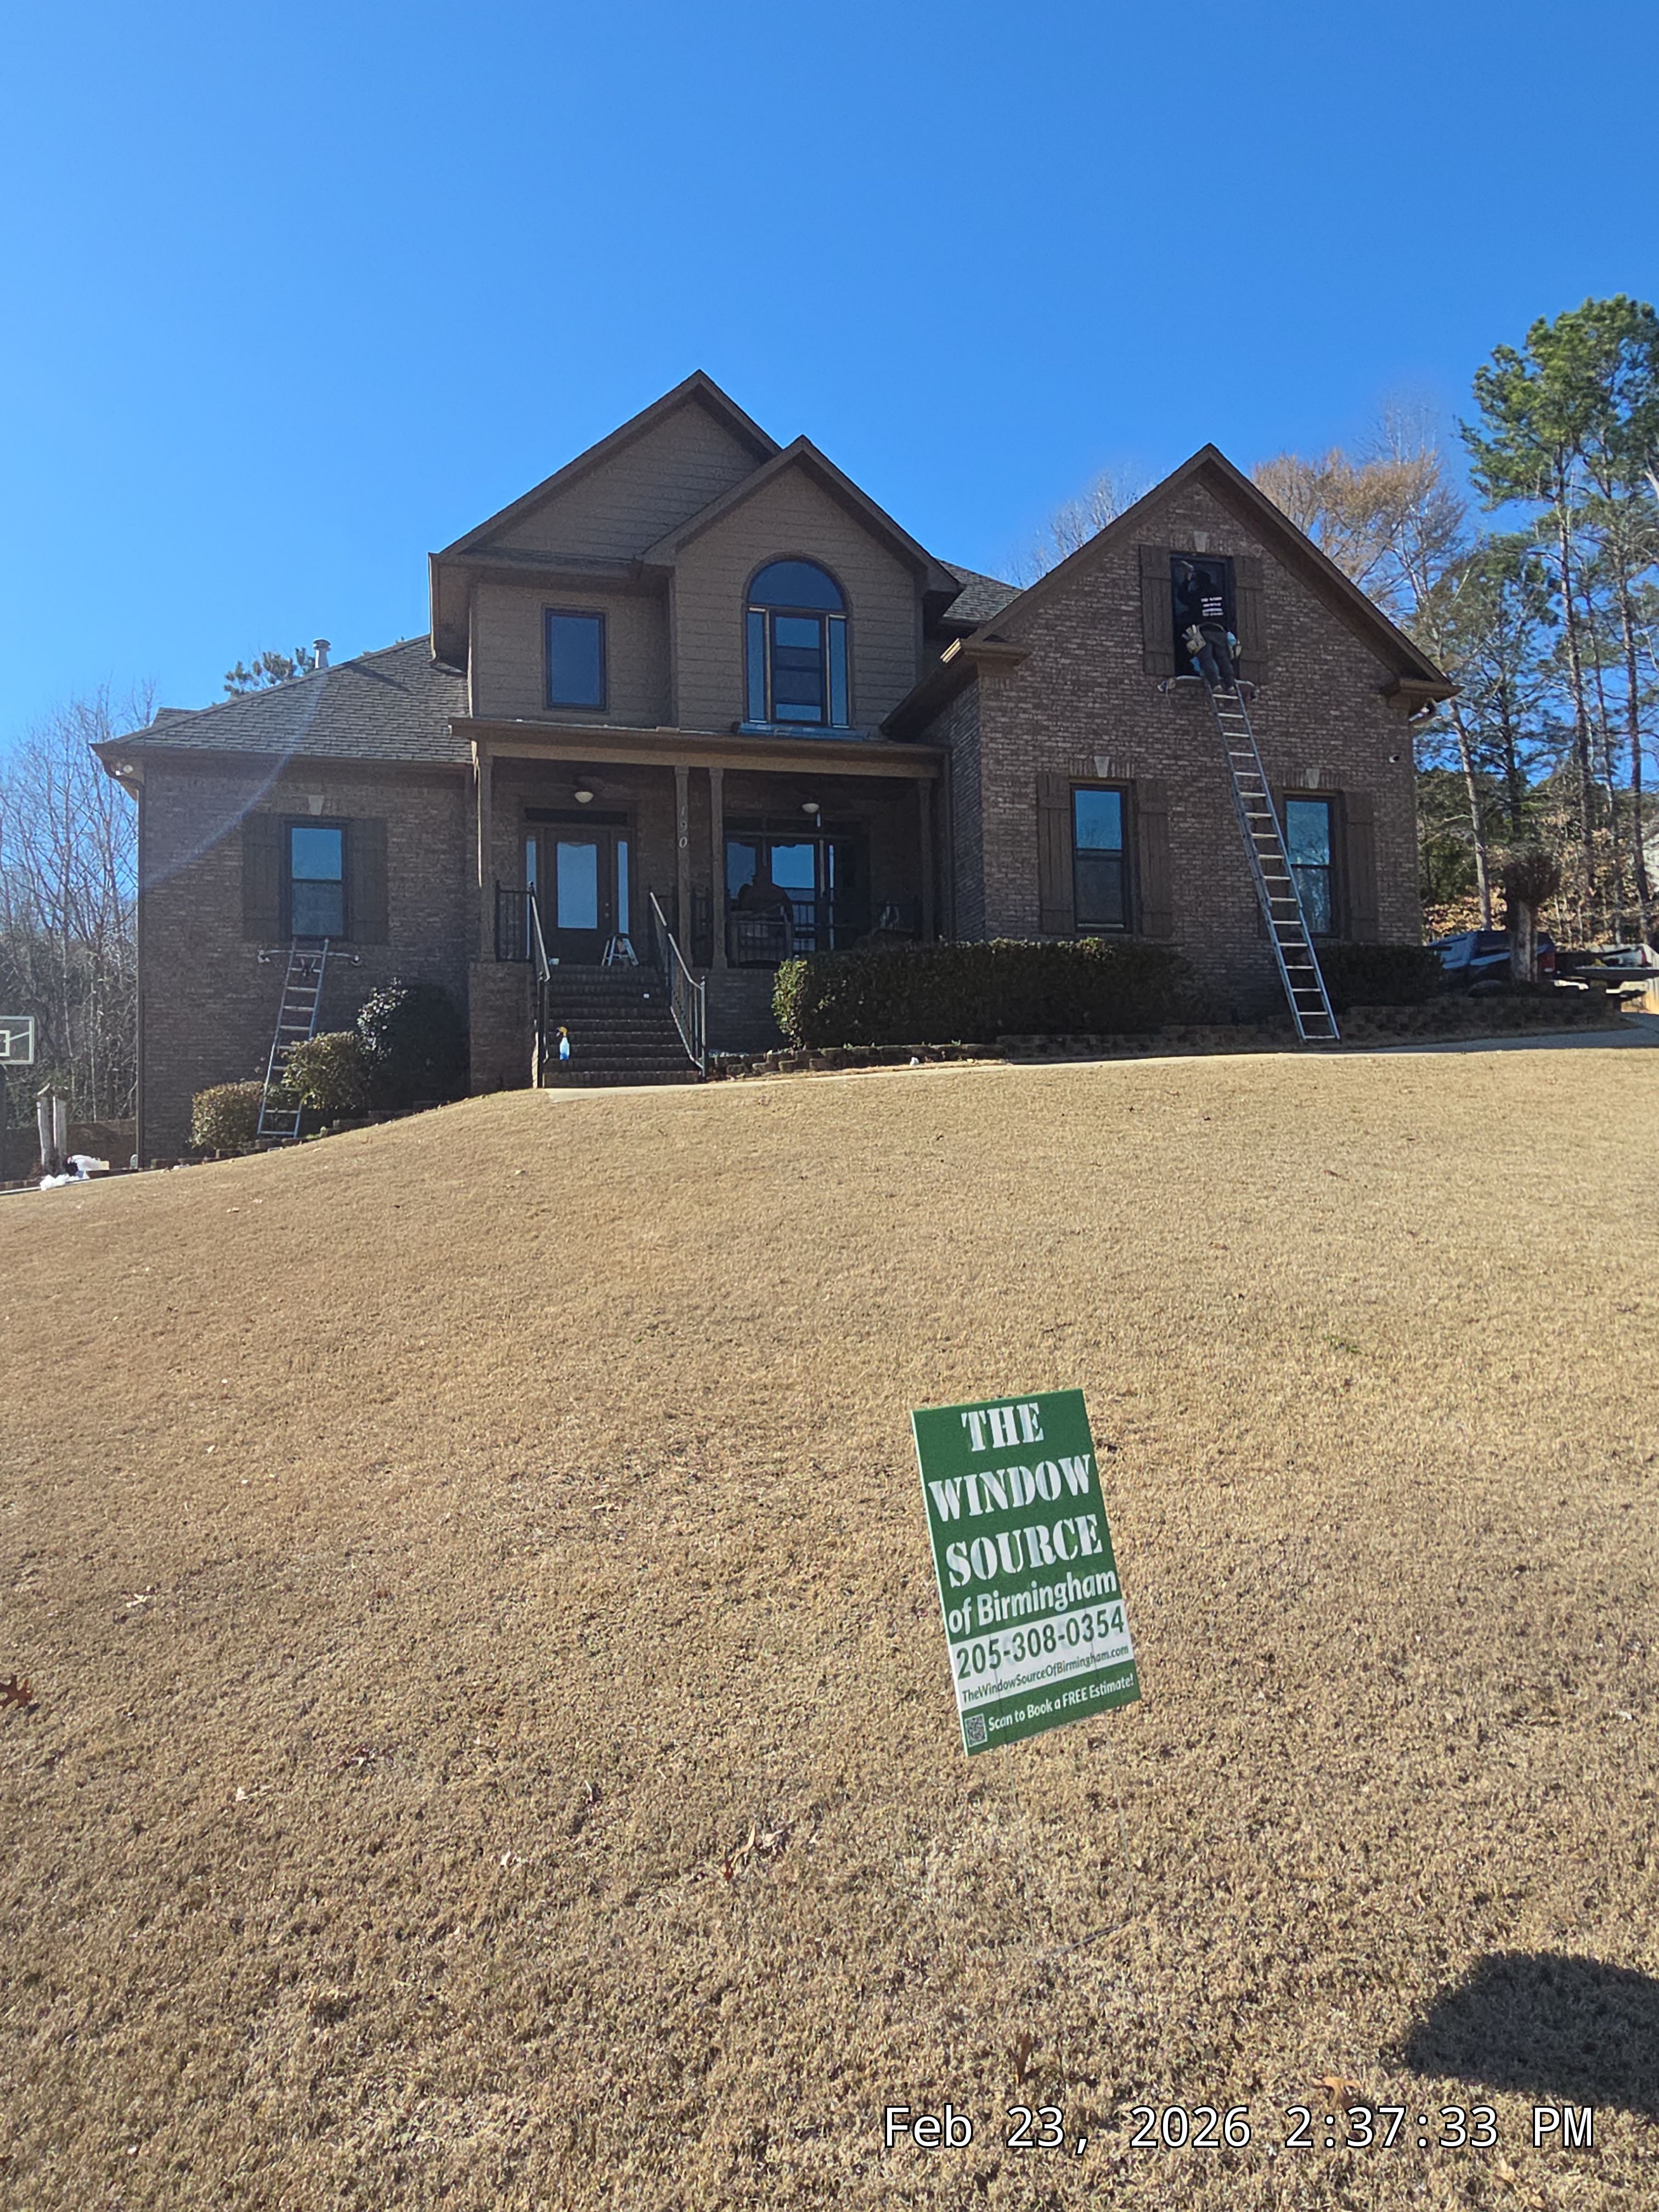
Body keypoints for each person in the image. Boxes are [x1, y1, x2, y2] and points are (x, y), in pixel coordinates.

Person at [1173, 560, 1243, 694]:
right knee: (1223, 659)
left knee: (1206, 658)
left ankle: (1215, 684)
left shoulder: (1199, 594)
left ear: (1198, 582)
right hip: (1220, 631)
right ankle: (1230, 685)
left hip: (1204, 631)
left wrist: (1186, 581)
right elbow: (1230, 613)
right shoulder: (1220, 596)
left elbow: (1183, 597)